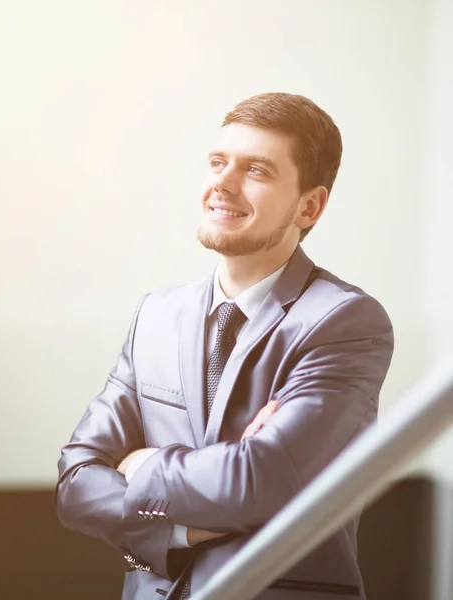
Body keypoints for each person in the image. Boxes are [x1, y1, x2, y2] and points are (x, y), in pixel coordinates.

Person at [56, 92, 394, 599]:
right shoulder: (154, 316)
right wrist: (178, 532)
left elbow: (257, 480)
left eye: (256, 170)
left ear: (310, 205)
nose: (223, 183)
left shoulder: (345, 321)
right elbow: (76, 484)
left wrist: (141, 464)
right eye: (218, 162)